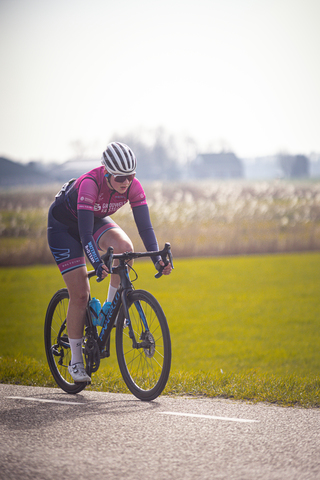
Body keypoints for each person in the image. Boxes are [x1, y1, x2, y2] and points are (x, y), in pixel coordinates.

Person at [47, 142, 172, 383]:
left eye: (131, 176)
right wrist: (96, 261)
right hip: (64, 228)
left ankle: (108, 312)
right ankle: (75, 361)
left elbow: (145, 228)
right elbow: (84, 236)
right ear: (106, 173)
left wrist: (157, 259)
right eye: (120, 177)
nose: (126, 182)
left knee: (126, 250)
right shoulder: (89, 185)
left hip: (93, 219)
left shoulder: (133, 187)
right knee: (81, 294)